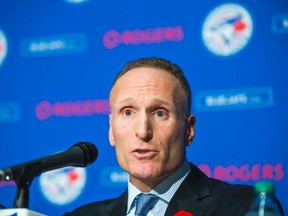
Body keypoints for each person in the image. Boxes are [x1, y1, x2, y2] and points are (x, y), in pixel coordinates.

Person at [65, 57, 283, 216]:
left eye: (160, 113)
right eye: (128, 112)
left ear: (188, 130)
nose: (143, 131)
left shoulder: (243, 207)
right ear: (111, 131)